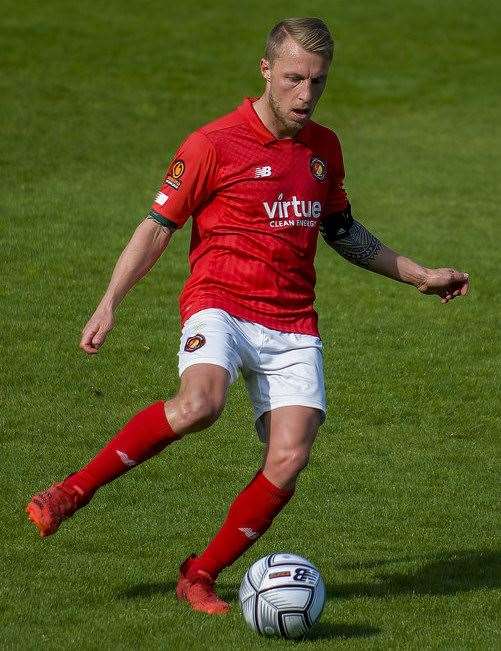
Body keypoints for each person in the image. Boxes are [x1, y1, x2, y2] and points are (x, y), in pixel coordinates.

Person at [26, 17, 469, 615]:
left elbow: (341, 230)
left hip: (292, 323)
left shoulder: (323, 148)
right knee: (200, 404)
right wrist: (110, 300)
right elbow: (157, 229)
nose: (305, 95)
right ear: (265, 70)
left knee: (289, 457)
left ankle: (199, 574)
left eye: (317, 82)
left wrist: (420, 274)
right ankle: (70, 493)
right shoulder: (212, 144)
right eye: (293, 79)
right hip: (222, 301)